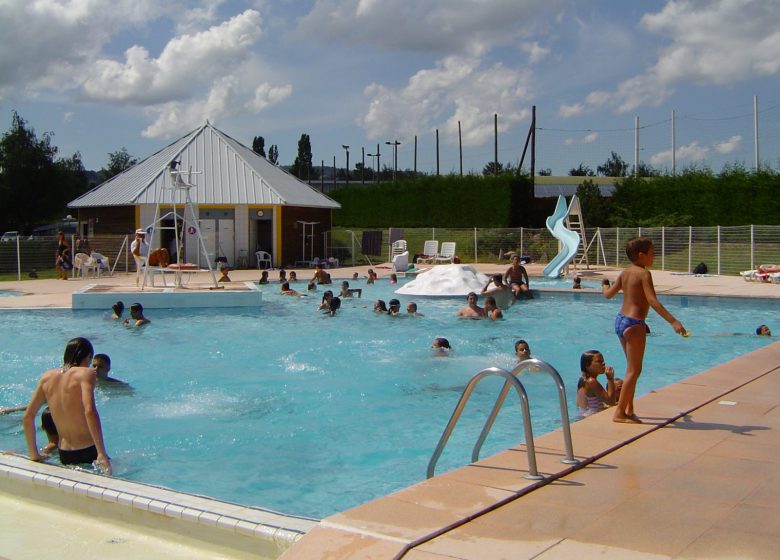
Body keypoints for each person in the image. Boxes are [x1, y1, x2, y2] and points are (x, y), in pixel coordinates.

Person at [603, 237, 686, 424]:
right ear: (641, 255)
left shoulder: (625, 273)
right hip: (634, 323)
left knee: (631, 369)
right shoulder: (643, 274)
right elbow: (652, 301)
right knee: (634, 370)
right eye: (652, 253)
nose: (654, 256)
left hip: (620, 321)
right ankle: (619, 413)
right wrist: (673, 321)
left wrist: (604, 285)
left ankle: (629, 408)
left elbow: (608, 295)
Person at [22, 337, 111, 473]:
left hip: (64, 452)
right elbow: (89, 411)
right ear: (87, 357)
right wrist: (101, 453)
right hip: (88, 449)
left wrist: (34, 454)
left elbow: (28, 416)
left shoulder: (46, 377)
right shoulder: (86, 374)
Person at [576, 350, 621, 416]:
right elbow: (611, 402)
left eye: (603, 361)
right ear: (587, 365)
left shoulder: (583, 379)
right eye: (599, 361)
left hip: (586, 414)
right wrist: (610, 379)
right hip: (592, 415)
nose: (603, 363)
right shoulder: (591, 381)